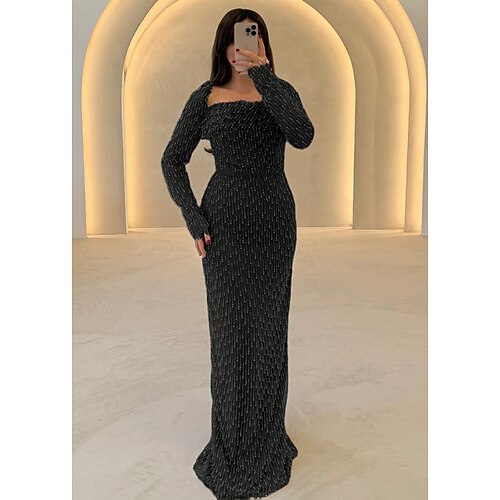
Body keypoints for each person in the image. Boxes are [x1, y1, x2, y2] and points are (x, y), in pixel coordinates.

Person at [160, 8, 314, 499]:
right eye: (233, 38)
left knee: (268, 331)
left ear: (263, 44)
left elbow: (303, 135)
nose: (241, 46)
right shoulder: (205, 97)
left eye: (252, 37)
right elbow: (172, 160)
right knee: (229, 335)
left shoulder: (278, 91)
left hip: (273, 222)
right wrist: (194, 218)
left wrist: (264, 76)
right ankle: (230, 441)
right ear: (221, 45)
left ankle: (267, 438)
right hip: (224, 226)